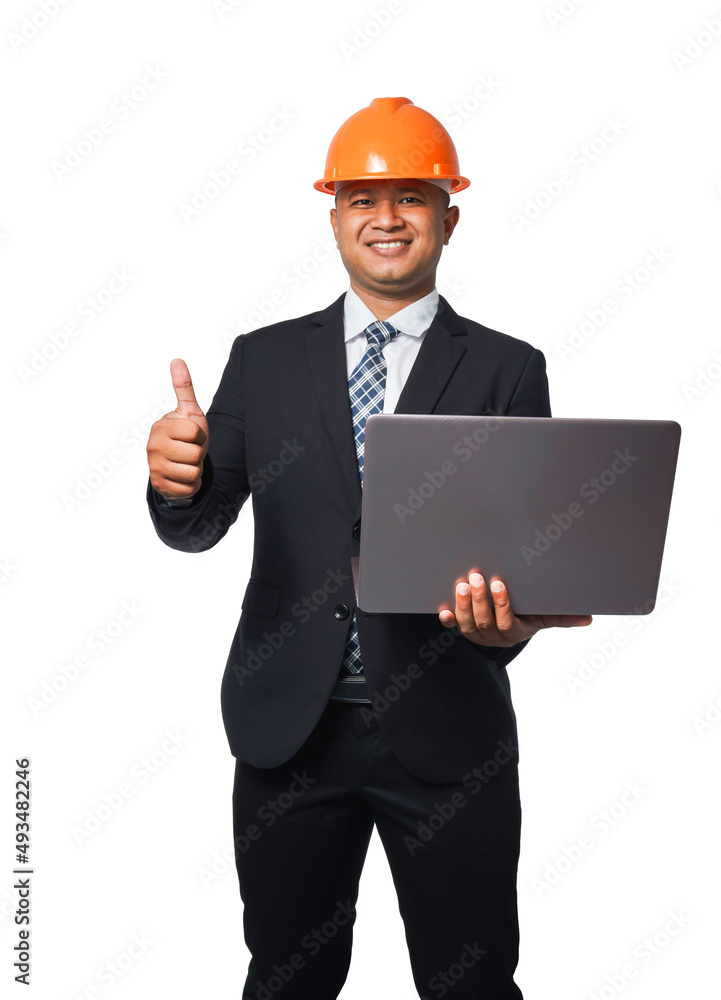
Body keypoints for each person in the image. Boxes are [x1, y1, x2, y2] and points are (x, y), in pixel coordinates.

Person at [145, 97, 592, 1000]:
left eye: (411, 197)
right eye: (360, 197)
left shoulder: (508, 368)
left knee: (470, 983)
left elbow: (521, 572)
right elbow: (194, 529)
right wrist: (173, 477)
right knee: (286, 977)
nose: (385, 217)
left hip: (447, 732)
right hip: (288, 731)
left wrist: (505, 626)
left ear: (447, 218)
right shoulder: (263, 360)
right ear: (335, 216)